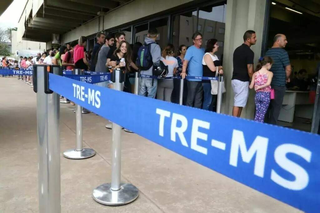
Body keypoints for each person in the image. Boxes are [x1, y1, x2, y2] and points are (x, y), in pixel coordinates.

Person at [265, 34, 291, 125]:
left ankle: (264, 126)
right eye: (285, 40)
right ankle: (272, 129)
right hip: (279, 86)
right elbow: (288, 69)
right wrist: (286, 78)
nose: (286, 42)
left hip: (268, 86)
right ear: (278, 41)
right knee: (276, 108)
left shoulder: (267, 52)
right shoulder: (283, 53)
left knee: (267, 106)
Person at [231, 30, 256, 117]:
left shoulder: (237, 50)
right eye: (254, 37)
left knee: (239, 102)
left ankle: (236, 121)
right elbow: (250, 70)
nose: (255, 39)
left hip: (235, 79)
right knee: (238, 103)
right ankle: (234, 123)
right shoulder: (249, 52)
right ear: (248, 39)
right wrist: (254, 81)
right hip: (242, 81)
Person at [180, 32, 205, 108]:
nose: (200, 40)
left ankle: (196, 116)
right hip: (192, 78)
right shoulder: (190, 49)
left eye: (201, 39)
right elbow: (185, 62)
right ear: (194, 41)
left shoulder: (203, 50)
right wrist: (183, 72)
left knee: (199, 100)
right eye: (198, 39)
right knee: (190, 99)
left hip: (201, 79)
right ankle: (188, 115)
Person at [249, 56, 274, 122]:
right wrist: (260, 87)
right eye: (271, 65)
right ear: (268, 64)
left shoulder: (255, 74)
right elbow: (268, 83)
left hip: (257, 95)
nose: (271, 67)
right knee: (262, 114)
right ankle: (259, 129)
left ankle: (255, 126)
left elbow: (251, 86)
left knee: (258, 113)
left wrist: (257, 86)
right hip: (266, 95)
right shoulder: (270, 73)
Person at [139, 28, 161, 98]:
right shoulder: (156, 46)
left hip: (142, 74)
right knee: (150, 97)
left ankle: (140, 108)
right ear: (157, 36)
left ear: (148, 35)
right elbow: (155, 61)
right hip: (151, 75)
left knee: (141, 95)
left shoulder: (143, 45)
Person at [202, 39, 223, 111]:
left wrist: (219, 68)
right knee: (208, 100)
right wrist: (220, 67)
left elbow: (219, 69)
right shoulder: (207, 55)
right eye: (216, 44)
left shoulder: (215, 56)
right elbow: (213, 69)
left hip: (214, 81)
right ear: (212, 45)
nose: (218, 46)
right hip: (208, 81)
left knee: (212, 101)